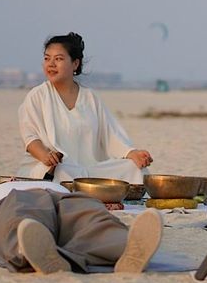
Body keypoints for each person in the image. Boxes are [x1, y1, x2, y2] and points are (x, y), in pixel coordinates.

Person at [16, 33, 152, 184]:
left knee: (136, 168)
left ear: (75, 64)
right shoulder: (37, 96)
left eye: (59, 59)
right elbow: (30, 138)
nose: (51, 64)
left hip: (89, 170)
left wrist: (132, 153)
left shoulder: (90, 97)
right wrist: (45, 156)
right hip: (54, 167)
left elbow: (111, 135)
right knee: (61, 171)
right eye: (47, 58)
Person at [0, 180, 163, 274]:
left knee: (92, 217)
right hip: (18, 200)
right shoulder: (1, 192)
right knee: (22, 222)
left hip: (65, 196)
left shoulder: (51, 184)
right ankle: (32, 252)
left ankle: (125, 247)